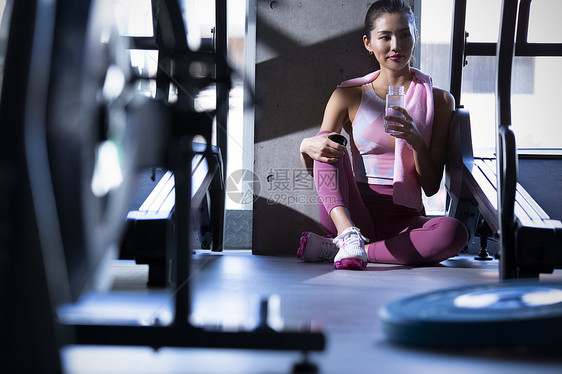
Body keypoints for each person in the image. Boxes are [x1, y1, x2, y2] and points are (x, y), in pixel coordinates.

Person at [297, 0, 468, 270]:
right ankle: (348, 236)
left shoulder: (440, 101)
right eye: (385, 37)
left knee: (453, 233)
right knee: (326, 142)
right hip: (350, 212)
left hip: (405, 220)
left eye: (404, 35)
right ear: (368, 43)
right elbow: (320, 166)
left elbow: (432, 186)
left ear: (416, 37)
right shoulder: (348, 94)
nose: (395, 46)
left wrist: (416, 140)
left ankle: (347, 249)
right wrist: (306, 145)